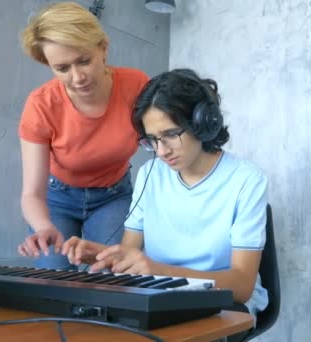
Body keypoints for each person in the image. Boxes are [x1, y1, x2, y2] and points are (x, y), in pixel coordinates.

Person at [61, 68, 269, 330]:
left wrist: (159, 271)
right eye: (152, 140)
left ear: (203, 122)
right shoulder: (151, 174)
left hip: (222, 302)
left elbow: (241, 287)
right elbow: (131, 253)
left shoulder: (247, 179)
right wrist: (103, 255)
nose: (161, 151)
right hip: (158, 296)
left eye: (171, 134)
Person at [16, 2, 149, 270]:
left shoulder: (136, 86)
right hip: (59, 199)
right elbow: (31, 194)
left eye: (84, 61)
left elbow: (163, 141)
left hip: (114, 195)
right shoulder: (41, 105)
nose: (77, 77)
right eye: (62, 68)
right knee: (54, 279)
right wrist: (43, 227)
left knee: (114, 274)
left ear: (103, 48)